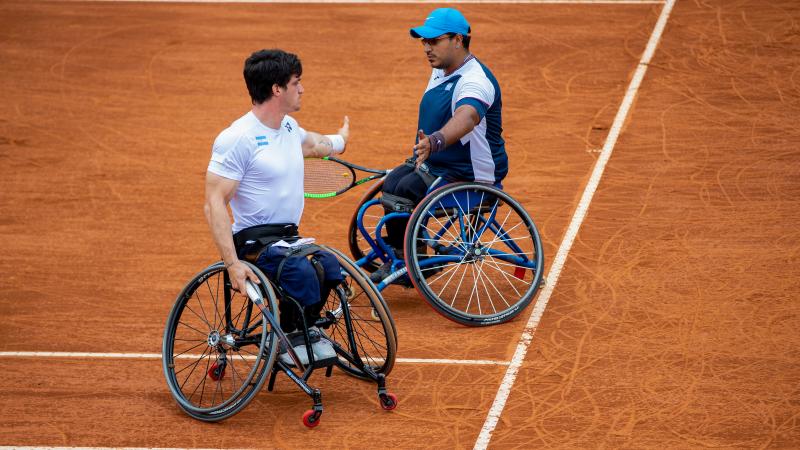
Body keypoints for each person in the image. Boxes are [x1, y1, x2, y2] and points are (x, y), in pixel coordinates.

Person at [204, 49, 349, 366]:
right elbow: (214, 202)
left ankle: (296, 329)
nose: (302, 89)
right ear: (277, 89)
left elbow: (314, 144)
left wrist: (340, 140)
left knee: (328, 265)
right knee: (301, 272)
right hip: (253, 242)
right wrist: (232, 265)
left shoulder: (287, 127)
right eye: (296, 82)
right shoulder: (237, 138)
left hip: (287, 238)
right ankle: (293, 335)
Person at [372, 7, 509, 284]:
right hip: (440, 165)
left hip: (471, 175)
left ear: (458, 40)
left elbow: (467, 117)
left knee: (407, 190)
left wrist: (435, 141)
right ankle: (409, 253)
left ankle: (411, 261)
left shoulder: (475, 80)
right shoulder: (442, 69)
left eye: (434, 41)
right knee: (394, 183)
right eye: (424, 41)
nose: (426, 48)